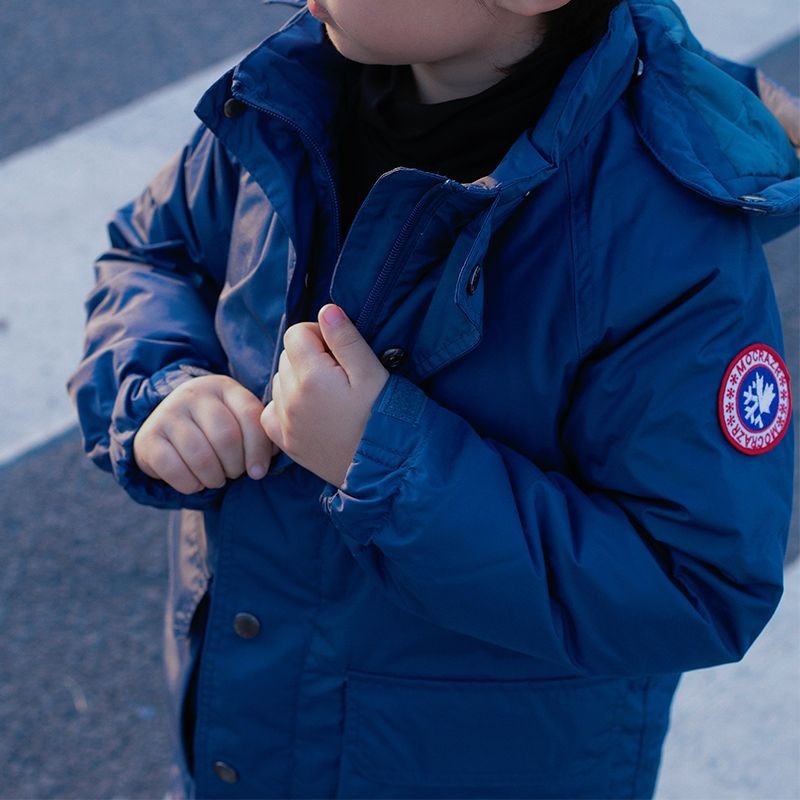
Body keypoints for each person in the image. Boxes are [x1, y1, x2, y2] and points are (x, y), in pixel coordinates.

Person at [67, 0, 798, 797]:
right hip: (249, 738)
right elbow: (155, 250)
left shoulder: (662, 236)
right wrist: (162, 386)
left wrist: (387, 462)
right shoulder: (294, 87)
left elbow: (695, 582)